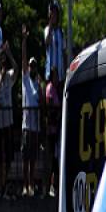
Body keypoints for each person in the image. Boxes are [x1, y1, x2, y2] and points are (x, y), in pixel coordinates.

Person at [0, 44, 18, 198]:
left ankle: (4, 182)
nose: (3, 63)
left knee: (8, 158)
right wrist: (1, 77)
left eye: (4, 60)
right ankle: (1, 185)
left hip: (8, 122)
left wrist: (9, 52)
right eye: (0, 60)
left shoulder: (9, 75)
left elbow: (17, 69)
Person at [21, 25, 41, 198]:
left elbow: (40, 101)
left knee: (33, 159)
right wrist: (24, 41)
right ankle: (25, 185)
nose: (32, 68)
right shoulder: (26, 81)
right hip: (27, 125)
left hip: (36, 126)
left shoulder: (36, 83)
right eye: (30, 65)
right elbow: (23, 60)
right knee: (26, 158)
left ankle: (32, 185)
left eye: (34, 66)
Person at [45, 66, 61, 198]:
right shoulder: (50, 88)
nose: (57, 78)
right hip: (52, 130)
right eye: (55, 76)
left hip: (56, 129)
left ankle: (55, 184)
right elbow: (50, 108)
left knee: (56, 159)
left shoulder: (56, 89)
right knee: (52, 159)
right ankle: (51, 185)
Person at [44, 0, 65, 85]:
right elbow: (47, 42)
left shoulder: (61, 32)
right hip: (50, 75)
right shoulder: (46, 30)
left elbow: (64, 52)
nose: (53, 15)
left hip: (60, 75)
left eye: (55, 13)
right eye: (51, 13)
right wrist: (50, 25)